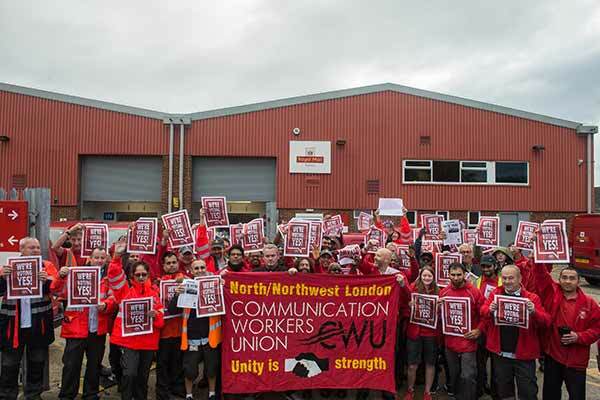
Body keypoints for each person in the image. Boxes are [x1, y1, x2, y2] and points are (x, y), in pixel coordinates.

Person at [52, 246, 116, 400]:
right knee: (71, 365)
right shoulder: (76, 275)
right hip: (76, 329)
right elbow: (58, 291)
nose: (99, 261)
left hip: (97, 329)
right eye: (96, 257)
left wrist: (106, 305)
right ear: (90, 258)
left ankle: (91, 393)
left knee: (94, 365)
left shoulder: (108, 278)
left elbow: (113, 298)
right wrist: (60, 276)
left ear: (106, 259)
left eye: (102, 258)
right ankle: (67, 395)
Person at [0, 237, 59, 400]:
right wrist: (2, 279)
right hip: (13, 325)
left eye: (38, 247)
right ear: (21, 250)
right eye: (31, 247)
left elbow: (57, 287)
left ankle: (33, 395)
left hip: (38, 324)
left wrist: (45, 281)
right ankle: (6, 395)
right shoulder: (8, 267)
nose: (35, 250)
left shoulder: (47, 267)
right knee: (9, 364)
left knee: (37, 363)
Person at [481, 265, 550, 400]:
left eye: (511, 278)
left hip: (524, 355)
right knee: (504, 390)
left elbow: (546, 321)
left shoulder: (532, 298)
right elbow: (483, 311)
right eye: (504, 278)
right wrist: (489, 309)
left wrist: (534, 312)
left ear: (520, 279)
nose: (507, 281)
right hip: (500, 354)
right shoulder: (496, 293)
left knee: (528, 391)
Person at [533, 261, 600, 400]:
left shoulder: (590, 304)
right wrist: (536, 250)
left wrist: (579, 337)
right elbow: (541, 275)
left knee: (577, 396)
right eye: (564, 277)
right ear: (559, 280)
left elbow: (597, 329)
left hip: (577, 361)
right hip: (553, 357)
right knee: (550, 395)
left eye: (572, 278)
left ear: (578, 281)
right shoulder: (552, 294)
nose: (568, 281)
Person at [107, 251, 165, 400]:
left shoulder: (154, 294)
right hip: (129, 342)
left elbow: (161, 321)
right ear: (132, 276)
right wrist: (116, 258)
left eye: (143, 274)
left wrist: (156, 316)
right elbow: (114, 276)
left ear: (147, 275)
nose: (140, 277)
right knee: (129, 373)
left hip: (148, 343)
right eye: (137, 274)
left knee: (143, 376)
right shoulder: (124, 292)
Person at [171, 259, 222, 400]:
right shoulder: (185, 286)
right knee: (190, 370)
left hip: (210, 337)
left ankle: (211, 394)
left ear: (206, 268)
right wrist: (177, 294)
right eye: (196, 268)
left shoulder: (215, 285)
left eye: (202, 267)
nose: (200, 270)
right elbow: (172, 310)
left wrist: (223, 289)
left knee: (211, 368)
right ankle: (188, 395)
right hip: (191, 338)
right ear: (191, 271)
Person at [439, 262, 483, 400]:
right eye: (453, 275)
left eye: (459, 274)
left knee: (468, 375)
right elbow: (441, 319)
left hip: (468, 341)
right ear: (448, 275)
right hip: (450, 342)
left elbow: (485, 315)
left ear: (465, 274)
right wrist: (438, 309)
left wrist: (479, 330)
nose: (456, 277)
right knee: (454, 374)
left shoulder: (474, 291)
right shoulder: (443, 292)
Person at [404, 266, 440, 400]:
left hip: (430, 334)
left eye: (429, 276)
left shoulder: (438, 291)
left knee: (430, 363)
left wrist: (439, 307)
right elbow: (404, 308)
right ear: (420, 276)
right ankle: (410, 390)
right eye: (424, 276)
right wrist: (409, 306)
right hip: (414, 332)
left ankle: (427, 392)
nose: (427, 278)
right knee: (412, 364)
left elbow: (440, 316)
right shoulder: (412, 288)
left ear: (433, 277)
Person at [155, 251, 186, 400]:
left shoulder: (186, 280)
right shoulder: (158, 283)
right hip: (164, 331)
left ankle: (178, 389)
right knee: (163, 363)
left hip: (181, 330)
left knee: (178, 362)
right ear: (163, 265)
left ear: (178, 263)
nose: (172, 265)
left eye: (174, 262)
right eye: (168, 263)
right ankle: (162, 393)